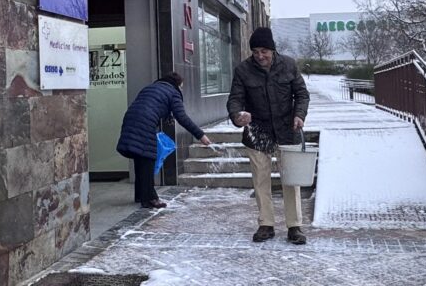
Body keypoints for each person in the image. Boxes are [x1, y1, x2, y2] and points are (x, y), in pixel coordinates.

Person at [227, 27, 310, 245]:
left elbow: (302, 94)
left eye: (264, 51)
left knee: (291, 180)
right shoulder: (243, 70)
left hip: (287, 130)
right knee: (260, 180)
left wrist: (299, 114)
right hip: (257, 132)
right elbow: (235, 99)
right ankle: (266, 224)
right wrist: (237, 115)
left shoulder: (289, 65)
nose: (260, 56)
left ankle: (294, 226)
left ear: (272, 49)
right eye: (255, 52)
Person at [116, 72, 212, 208]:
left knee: (140, 159)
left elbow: (152, 105)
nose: (181, 89)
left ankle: (140, 195)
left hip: (130, 119)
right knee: (148, 160)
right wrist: (201, 135)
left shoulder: (150, 88)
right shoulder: (173, 92)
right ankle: (150, 199)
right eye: (181, 86)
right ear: (177, 84)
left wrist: (167, 116)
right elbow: (182, 117)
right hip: (145, 123)